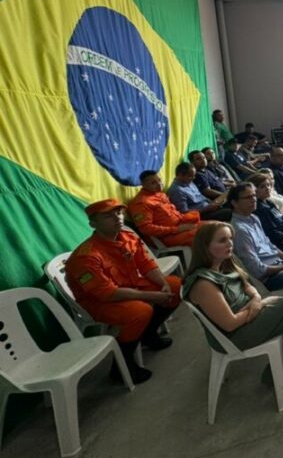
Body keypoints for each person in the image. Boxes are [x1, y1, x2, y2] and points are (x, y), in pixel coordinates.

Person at [183, 222, 283, 393]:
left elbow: (248, 286)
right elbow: (230, 324)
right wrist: (262, 304)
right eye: (222, 240)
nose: (230, 244)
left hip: (249, 315)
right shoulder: (203, 284)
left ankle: (282, 375)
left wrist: (257, 299)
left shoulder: (225, 263)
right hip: (235, 335)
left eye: (230, 239)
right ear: (205, 246)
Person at [66, 199, 180, 384]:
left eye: (119, 213)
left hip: (130, 286)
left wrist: (162, 284)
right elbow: (107, 293)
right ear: (93, 223)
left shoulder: (127, 237)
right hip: (99, 301)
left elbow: (146, 264)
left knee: (175, 286)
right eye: (108, 216)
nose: (117, 218)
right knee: (140, 311)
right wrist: (152, 296)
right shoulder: (86, 256)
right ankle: (120, 367)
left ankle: (148, 334)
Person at [129, 170, 203, 247]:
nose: (159, 184)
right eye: (153, 183)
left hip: (182, 226)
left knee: (211, 226)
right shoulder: (141, 203)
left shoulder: (160, 194)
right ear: (143, 185)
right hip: (168, 236)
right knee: (205, 236)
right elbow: (146, 228)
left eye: (159, 180)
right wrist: (176, 229)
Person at [167, 162, 231, 221]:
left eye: (194, 175)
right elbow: (184, 212)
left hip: (209, 206)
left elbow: (201, 196)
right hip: (201, 215)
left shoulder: (189, 182)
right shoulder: (176, 190)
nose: (193, 178)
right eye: (190, 176)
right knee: (228, 212)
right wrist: (208, 208)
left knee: (232, 199)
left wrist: (213, 203)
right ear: (180, 175)